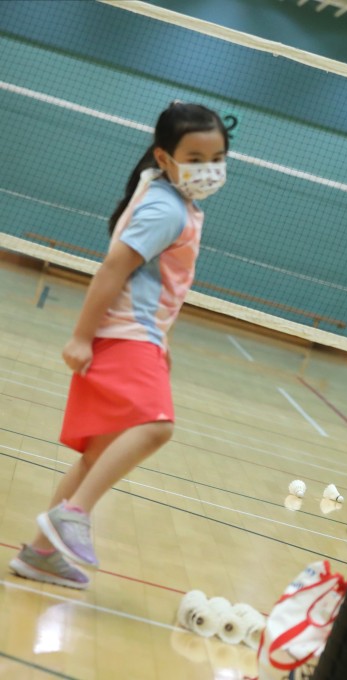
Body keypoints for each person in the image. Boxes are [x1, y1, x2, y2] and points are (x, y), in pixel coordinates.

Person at [8, 102, 229, 590]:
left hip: (141, 335)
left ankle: (42, 554)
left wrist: (164, 338)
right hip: (124, 333)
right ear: (166, 158)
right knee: (157, 426)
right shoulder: (164, 207)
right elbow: (113, 268)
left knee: (98, 454)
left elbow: (164, 282)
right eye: (194, 156)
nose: (207, 168)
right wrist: (81, 335)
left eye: (216, 157)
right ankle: (73, 515)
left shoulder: (174, 200)